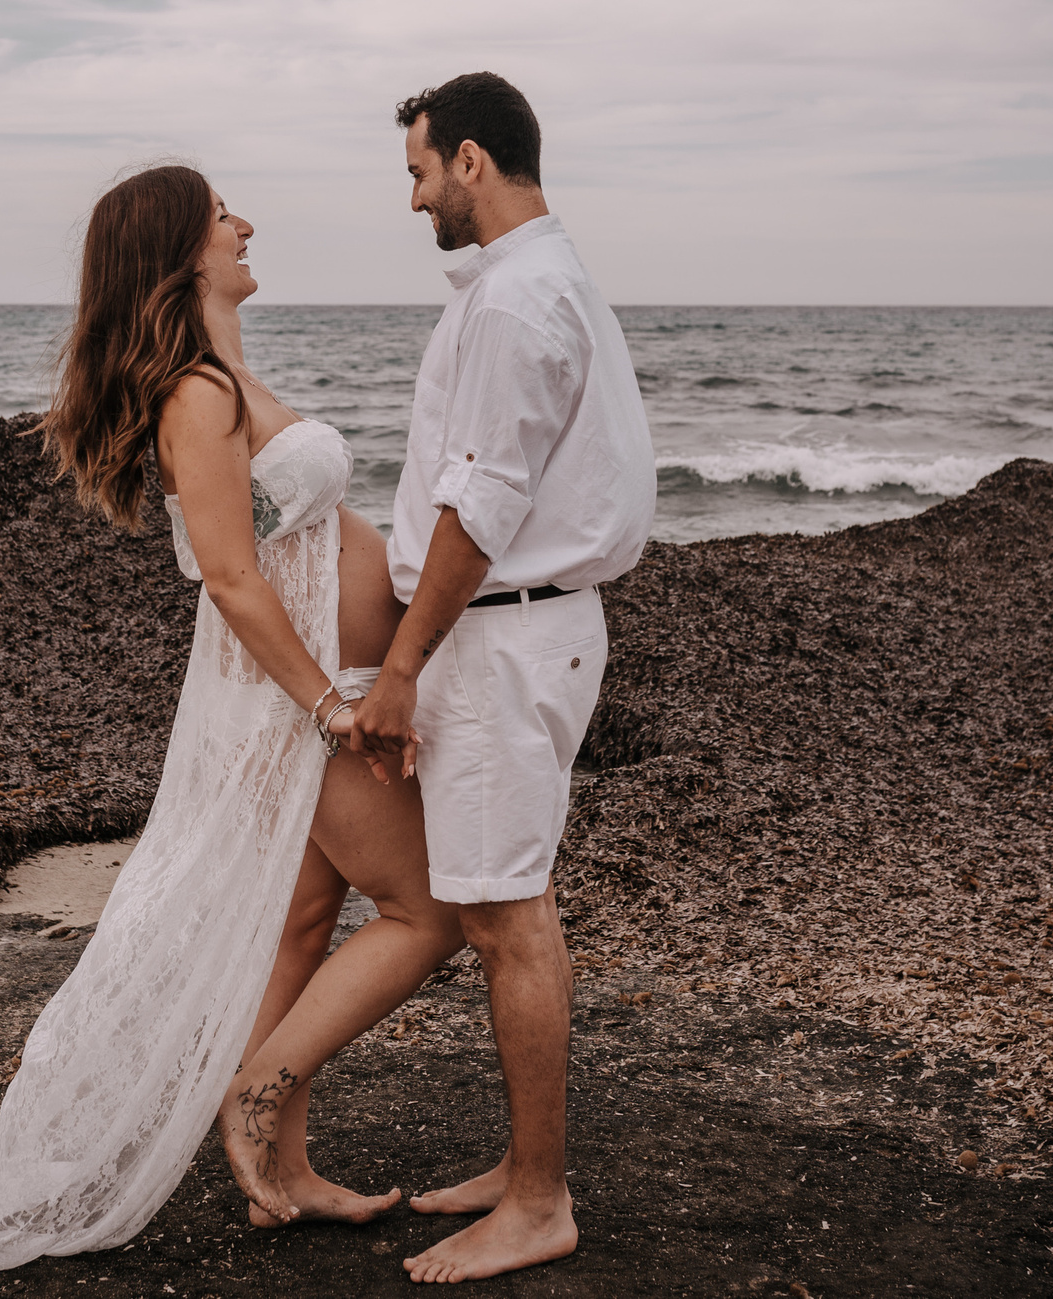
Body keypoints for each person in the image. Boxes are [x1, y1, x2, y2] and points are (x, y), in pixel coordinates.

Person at [0, 164, 465, 1270]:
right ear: (180, 252)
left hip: (314, 692)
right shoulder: (197, 396)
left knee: (301, 928)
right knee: (426, 914)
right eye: (223, 217)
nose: (246, 225)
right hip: (299, 704)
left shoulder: (220, 375)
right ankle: (255, 1098)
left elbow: (279, 545)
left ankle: (281, 1176)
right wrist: (327, 706)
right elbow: (230, 577)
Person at [351, 71, 655, 1282]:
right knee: (495, 907)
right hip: (521, 629)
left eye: (420, 172)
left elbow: (480, 503)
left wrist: (402, 664)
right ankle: (522, 1169)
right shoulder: (533, 282)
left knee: (507, 916)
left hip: (505, 634)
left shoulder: (520, 300)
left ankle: (538, 1201)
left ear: (471, 160)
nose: (415, 197)